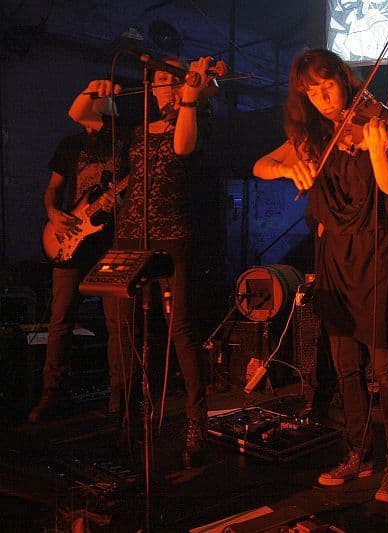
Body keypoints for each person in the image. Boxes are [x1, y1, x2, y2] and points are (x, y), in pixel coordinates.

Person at [253, 49, 388, 503]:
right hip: (335, 256)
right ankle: (358, 453)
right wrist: (287, 167)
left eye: (328, 86)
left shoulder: (377, 123)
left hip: (379, 252)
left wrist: (378, 150)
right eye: (312, 92)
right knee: (346, 365)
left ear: (345, 80)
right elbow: (261, 166)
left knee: (385, 367)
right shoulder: (313, 136)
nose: (324, 99)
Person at [72, 57, 216, 468]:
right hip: (131, 235)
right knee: (123, 327)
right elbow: (79, 114)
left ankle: (196, 422)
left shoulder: (191, 118)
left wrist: (191, 93)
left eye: (173, 79)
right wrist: (94, 89)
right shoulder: (135, 130)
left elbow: (182, 146)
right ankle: (128, 417)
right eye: (160, 80)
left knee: (180, 330)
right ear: (151, 86)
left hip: (173, 235)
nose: (166, 85)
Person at [28, 92, 127, 423]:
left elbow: (136, 192)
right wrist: (53, 213)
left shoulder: (126, 143)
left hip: (111, 243)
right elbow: (53, 189)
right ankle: (52, 392)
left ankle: (119, 398)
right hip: (71, 239)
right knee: (61, 318)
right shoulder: (71, 144)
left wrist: (119, 203)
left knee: (117, 323)